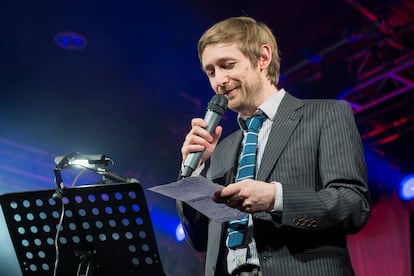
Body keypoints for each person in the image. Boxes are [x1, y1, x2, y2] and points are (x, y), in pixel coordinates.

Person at [176, 16, 371, 276]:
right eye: (211, 72)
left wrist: (275, 199)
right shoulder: (221, 149)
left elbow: (353, 207)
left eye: (228, 65)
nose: (219, 81)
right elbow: (199, 239)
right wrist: (195, 170)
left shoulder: (326, 115)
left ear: (263, 58)